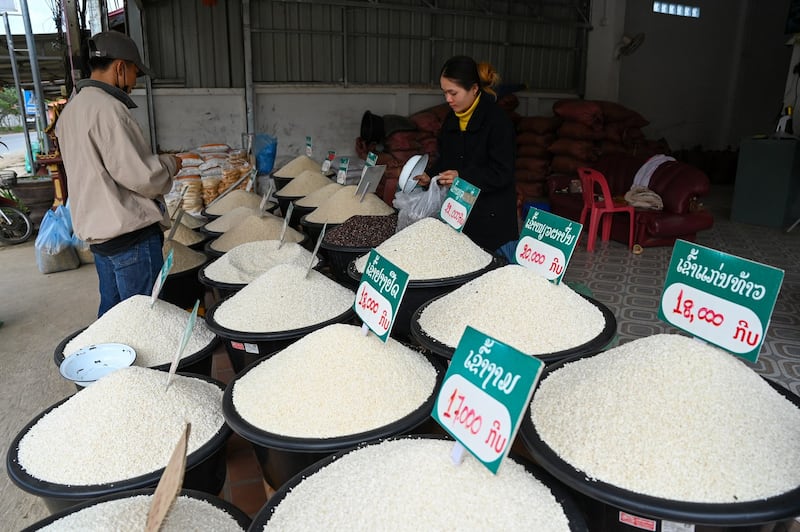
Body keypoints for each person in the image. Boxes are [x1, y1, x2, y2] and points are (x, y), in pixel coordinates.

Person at [55, 31, 181, 317]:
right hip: (131, 239)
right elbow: (144, 177)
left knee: (113, 318)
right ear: (120, 67)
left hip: (100, 239)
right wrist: (171, 164)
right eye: (135, 71)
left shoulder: (71, 112)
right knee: (144, 320)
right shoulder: (110, 110)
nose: (135, 81)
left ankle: (111, 363)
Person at [414, 55, 518, 254]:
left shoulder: (497, 121)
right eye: (444, 93)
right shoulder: (451, 121)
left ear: (474, 89)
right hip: (460, 217)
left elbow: (503, 173)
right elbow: (446, 159)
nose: (448, 99)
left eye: (453, 93)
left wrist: (463, 177)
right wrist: (431, 176)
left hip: (491, 219)